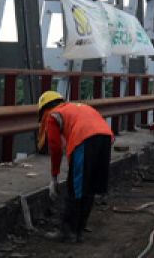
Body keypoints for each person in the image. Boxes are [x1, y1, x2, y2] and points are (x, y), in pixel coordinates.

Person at [37, 90, 114, 243]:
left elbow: (55, 147)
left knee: (75, 187)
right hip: (106, 138)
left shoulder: (53, 115)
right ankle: (78, 229)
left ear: (45, 109)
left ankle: (68, 232)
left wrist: (54, 177)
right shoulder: (78, 107)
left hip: (85, 139)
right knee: (89, 186)